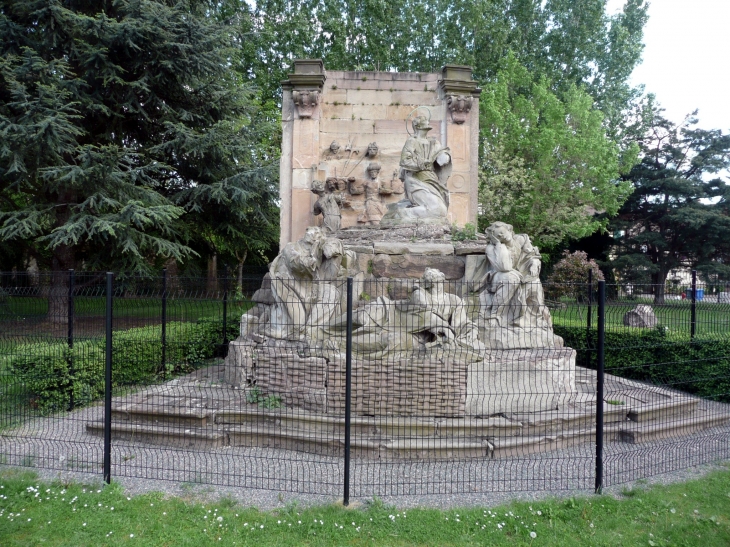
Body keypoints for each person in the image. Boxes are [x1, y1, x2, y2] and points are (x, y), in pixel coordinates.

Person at [380, 114, 451, 224]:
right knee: (438, 210)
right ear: (417, 126)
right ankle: (400, 214)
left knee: (441, 210)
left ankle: (402, 211)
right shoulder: (412, 141)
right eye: (423, 121)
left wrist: (445, 156)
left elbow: (442, 154)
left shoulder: (434, 142)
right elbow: (404, 161)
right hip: (415, 180)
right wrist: (420, 164)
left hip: (431, 179)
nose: (426, 122)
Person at [478, 221, 551, 328]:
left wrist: (534, 263)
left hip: (519, 274)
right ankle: (494, 315)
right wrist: (499, 244)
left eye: (502, 232)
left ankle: (528, 320)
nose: (501, 235)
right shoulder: (492, 248)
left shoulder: (521, 240)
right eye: (498, 235)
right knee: (511, 279)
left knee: (534, 283)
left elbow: (533, 256)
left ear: (509, 230)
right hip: (498, 276)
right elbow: (504, 267)